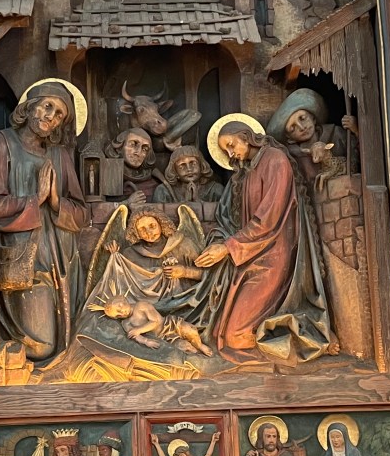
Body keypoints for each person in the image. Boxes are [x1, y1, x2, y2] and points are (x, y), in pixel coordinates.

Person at [174, 119, 332, 363]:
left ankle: (301, 336)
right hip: (250, 255)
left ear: (246, 136)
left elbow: (268, 219)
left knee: (235, 336)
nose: (230, 153)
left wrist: (227, 248)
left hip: (274, 255)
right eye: (225, 150)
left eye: (231, 144)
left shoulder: (275, 160)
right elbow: (230, 218)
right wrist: (221, 242)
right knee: (220, 331)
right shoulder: (245, 173)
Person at [0, 79, 87, 363]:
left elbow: (82, 215)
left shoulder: (60, 155)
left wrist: (55, 202)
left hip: (62, 259)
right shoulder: (2, 142)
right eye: (47, 106)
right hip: (23, 256)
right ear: (29, 107)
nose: (51, 117)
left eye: (59, 115)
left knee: (68, 344)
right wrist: (35, 199)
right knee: (42, 347)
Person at [267, 88, 359, 184]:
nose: (301, 127)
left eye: (303, 118)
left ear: (313, 118)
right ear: (290, 139)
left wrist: (356, 130)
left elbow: (359, 158)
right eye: (292, 128)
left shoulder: (337, 134)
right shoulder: (293, 157)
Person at [105, 128, 163, 205]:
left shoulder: (152, 186)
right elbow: (98, 208)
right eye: (133, 144)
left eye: (144, 149)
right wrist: (127, 202)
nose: (138, 152)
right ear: (119, 148)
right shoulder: (108, 176)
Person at [153, 145, 224, 204]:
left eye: (193, 163)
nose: (189, 169)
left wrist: (198, 201)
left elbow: (223, 213)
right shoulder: (163, 191)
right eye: (182, 166)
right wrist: (184, 203)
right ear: (174, 172)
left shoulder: (215, 190)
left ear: (202, 166)